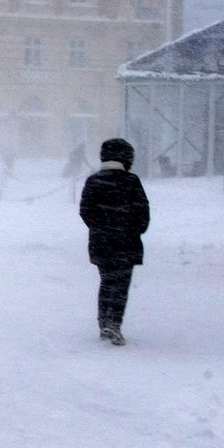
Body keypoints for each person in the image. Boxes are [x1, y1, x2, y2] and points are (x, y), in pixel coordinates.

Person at [78, 137, 149, 346]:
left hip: (101, 243)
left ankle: (104, 322)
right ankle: (115, 322)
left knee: (107, 280)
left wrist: (100, 228)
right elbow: (143, 212)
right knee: (121, 284)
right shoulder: (132, 181)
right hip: (126, 243)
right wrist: (133, 230)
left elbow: (85, 211)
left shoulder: (94, 181)